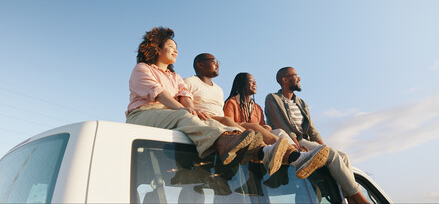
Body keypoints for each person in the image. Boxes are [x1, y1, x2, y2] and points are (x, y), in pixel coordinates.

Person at [125, 27, 287, 175]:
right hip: (143, 113)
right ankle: (225, 144)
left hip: (169, 114)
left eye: (177, 48)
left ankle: (265, 151)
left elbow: (186, 97)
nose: (176, 51)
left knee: (203, 119)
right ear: (157, 49)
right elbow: (160, 94)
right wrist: (185, 110)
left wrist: (192, 110)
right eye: (171, 47)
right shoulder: (142, 68)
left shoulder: (175, 77)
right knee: (185, 117)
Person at [184, 53, 329, 179]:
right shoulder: (191, 82)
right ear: (200, 64)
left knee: (274, 131)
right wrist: (193, 111)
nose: (217, 64)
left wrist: (265, 126)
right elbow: (187, 104)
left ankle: (293, 155)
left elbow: (258, 122)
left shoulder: (218, 89)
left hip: (224, 123)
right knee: (251, 127)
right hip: (212, 121)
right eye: (214, 61)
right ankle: (292, 155)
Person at [265, 66, 370, 204]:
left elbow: (312, 130)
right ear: (285, 80)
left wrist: (323, 148)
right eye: (295, 75)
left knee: (342, 156)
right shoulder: (273, 98)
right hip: (291, 141)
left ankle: (349, 198)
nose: (299, 78)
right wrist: (298, 149)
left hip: (304, 139)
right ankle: (359, 198)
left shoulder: (301, 103)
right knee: (331, 154)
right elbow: (280, 124)